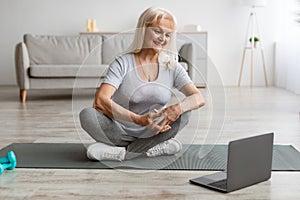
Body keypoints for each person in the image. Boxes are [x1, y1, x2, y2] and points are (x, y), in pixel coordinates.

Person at [79, 7, 205, 161]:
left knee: (186, 111)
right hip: (119, 130)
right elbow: (100, 101)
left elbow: (198, 97)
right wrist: (139, 120)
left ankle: (121, 154)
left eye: (167, 35)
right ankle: (151, 148)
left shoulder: (172, 66)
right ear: (143, 30)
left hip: (154, 131)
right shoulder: (123, 63)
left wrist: (174, 110)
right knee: (87, 114)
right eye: (157, 31)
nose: (162, 38)